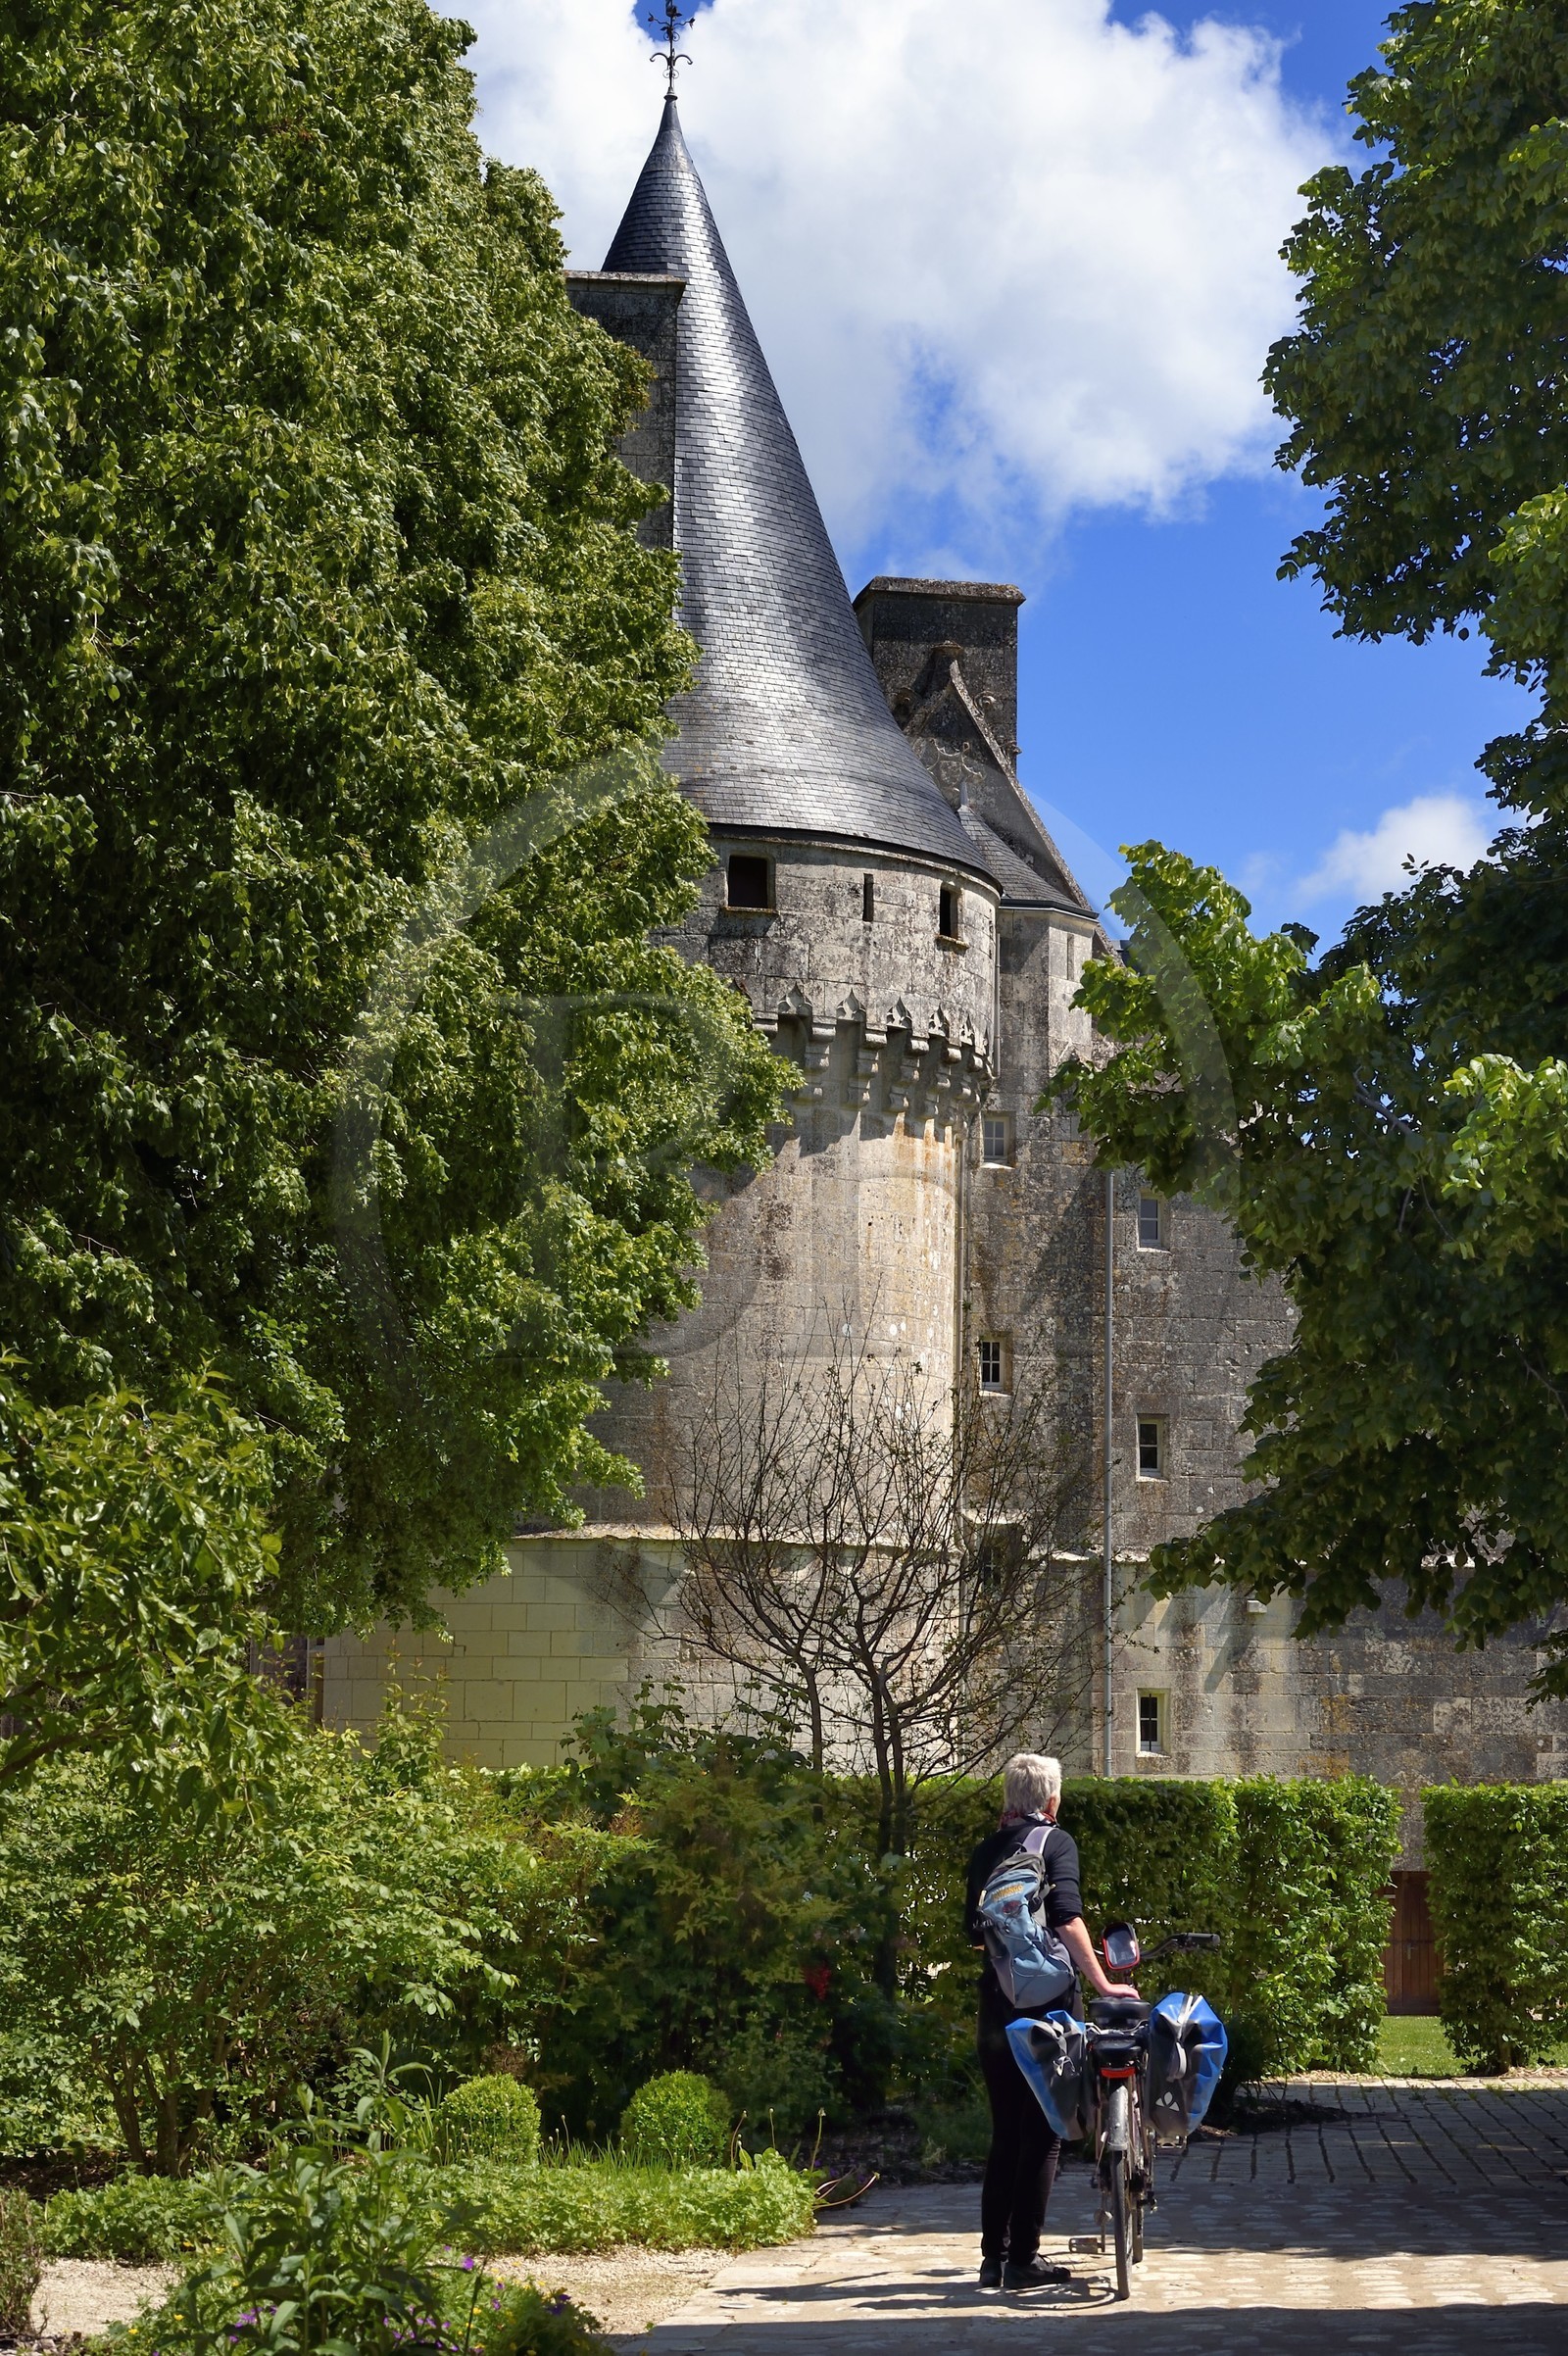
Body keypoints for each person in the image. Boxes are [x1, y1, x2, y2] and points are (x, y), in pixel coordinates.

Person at [964, 1750, 1139, 2291]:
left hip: (997, 2009)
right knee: (1043, 2134)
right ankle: (1024, 2260)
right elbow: (1067, 1918)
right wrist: (1105, 1983)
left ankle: (993, 2259)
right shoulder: (1056, 1843)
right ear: (1052, 1800)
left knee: (1004, 2135)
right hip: (1050, 2011)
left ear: (1007, 1800)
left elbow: (974, 1934)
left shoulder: (985, 1852)